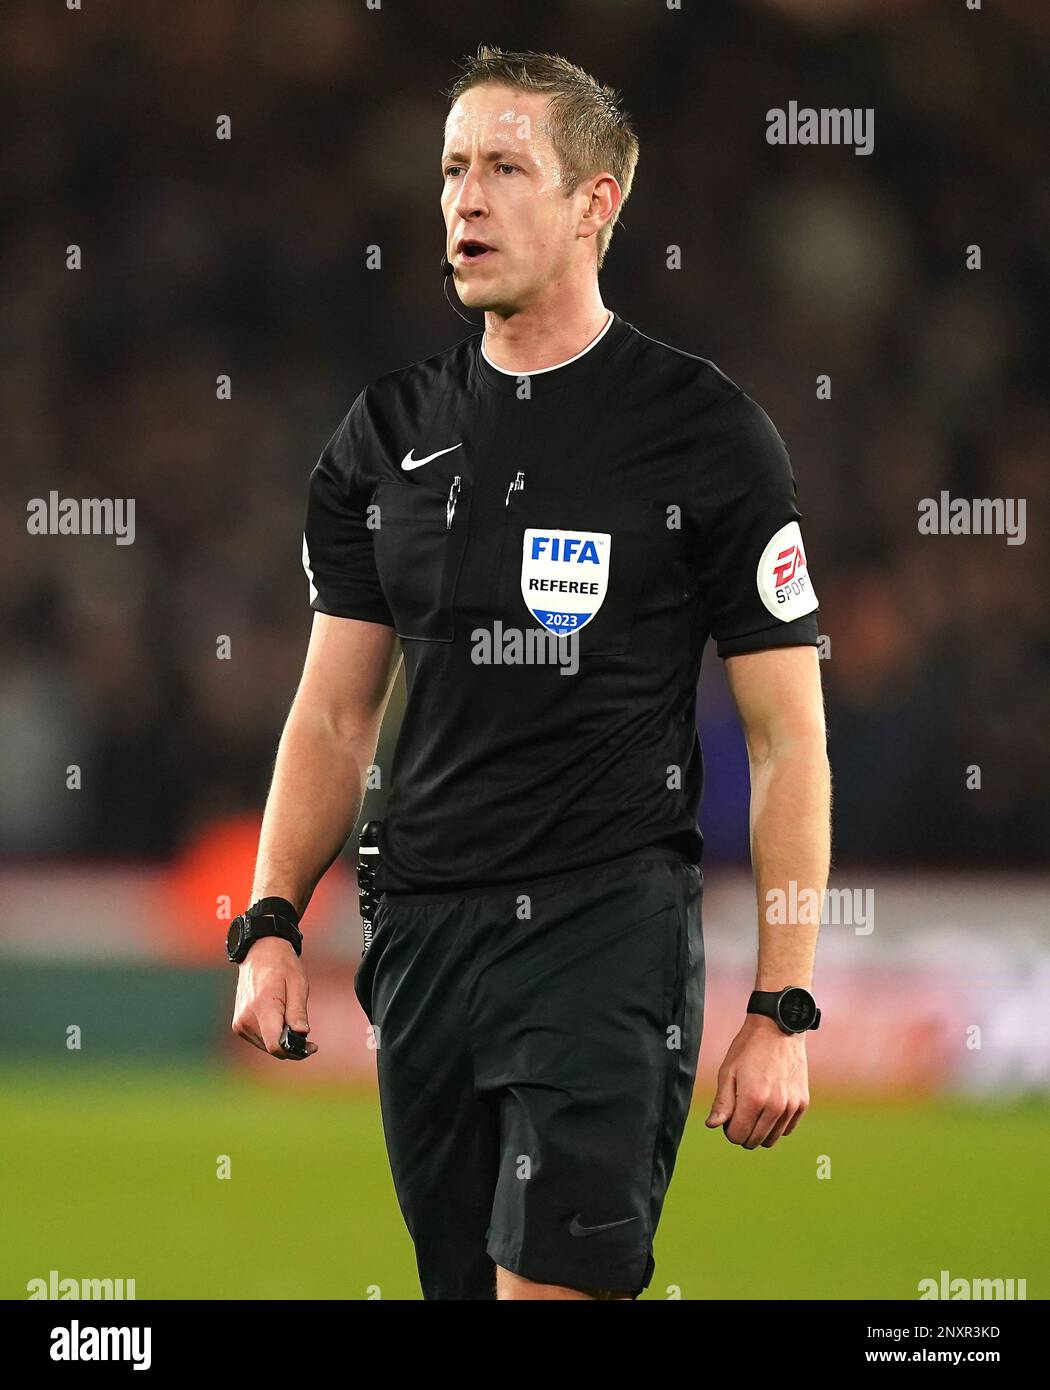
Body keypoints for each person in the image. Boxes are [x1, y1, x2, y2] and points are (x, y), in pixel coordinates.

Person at [231, 45, 831, 1302]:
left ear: (596, 204)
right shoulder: (384, 437)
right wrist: (274, 918)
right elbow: (336, 716)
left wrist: (784, 1000)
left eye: (507, 167)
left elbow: (786, 741)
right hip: (421, 936)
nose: (467, 199)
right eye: (453, 169)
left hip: (604, 933)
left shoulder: (706, 434)